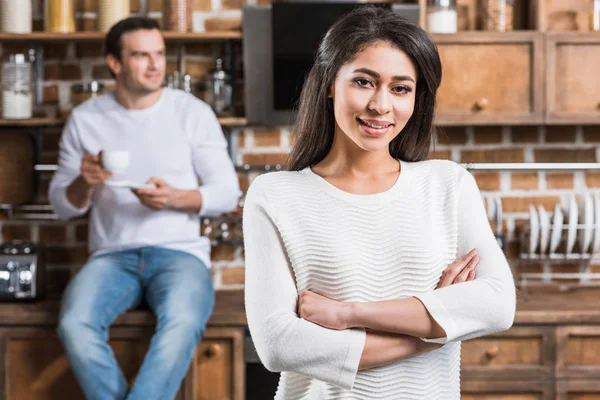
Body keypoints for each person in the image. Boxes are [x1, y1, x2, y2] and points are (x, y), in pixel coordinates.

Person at [243, 6, 516, 400]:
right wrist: (434, 325)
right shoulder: (275, 195)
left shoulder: (447, 184)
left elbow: (496, 304)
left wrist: (346, 315)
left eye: (400, 88)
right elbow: (279, 344)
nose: (381, 105)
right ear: (331, 83)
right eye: (364, 82)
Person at [49, 17, 241, 400]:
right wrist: (84, 180)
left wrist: (174, 198)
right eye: (141, 55)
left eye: (159, 54)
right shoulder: (86, 119)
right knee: (74, 323)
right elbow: (61, 207)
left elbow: (227, 193)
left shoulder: (193, 112)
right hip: (112, 257)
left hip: (181, 255)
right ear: (115, 64)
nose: (155, 65)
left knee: (183, 322)